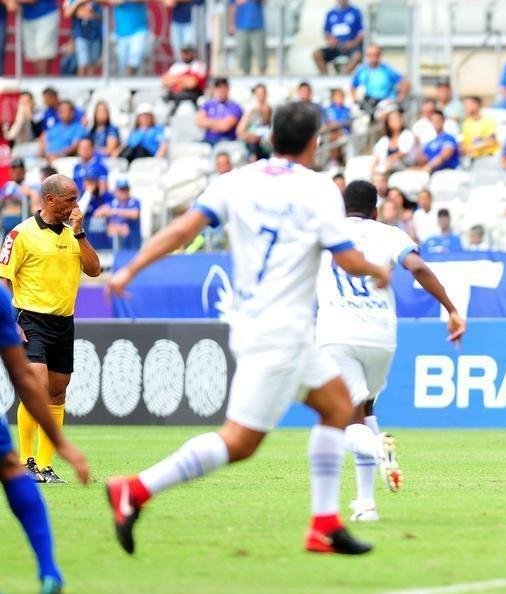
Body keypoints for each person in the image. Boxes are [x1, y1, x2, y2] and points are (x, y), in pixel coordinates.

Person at [105, 102, 393, 556]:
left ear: (270, 136)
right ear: (314, 142)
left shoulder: (235, 181)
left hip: (269, 327)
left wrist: (129, 269)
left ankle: (324, 525)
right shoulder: (319, 189)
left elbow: (182, 230)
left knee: (339, 406)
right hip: (280, 334)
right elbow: (346, 256)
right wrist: (378, 269)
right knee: (239, 442)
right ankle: (135, 489)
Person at [316, 181, 463, 522]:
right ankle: (366, 504)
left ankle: (377, 448)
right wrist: (451, 310)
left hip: (338, 334)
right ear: (375, 209)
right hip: (381, 336)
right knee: (365, 410)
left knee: (344, 423)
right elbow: (419, 268)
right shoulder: (389, 234)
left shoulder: (325, 233)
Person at [2, 173, 102, 484]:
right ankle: (25, 461)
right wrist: (8, 322)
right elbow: (4, 280)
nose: (76, 204)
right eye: (70, 199)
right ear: (50, 200)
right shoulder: (20, 234)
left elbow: (95, 269)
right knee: (38, 385)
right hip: (30, 318)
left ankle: (45, 467)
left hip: (63, 321)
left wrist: (81, 233)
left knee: (57, 393)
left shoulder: (75, 234)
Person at [0, 278, 89, 594]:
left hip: (62, 322)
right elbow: (21, 376)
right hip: (35, 318)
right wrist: (62, 443)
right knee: (9, 469)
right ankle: (49, 571)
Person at [95, 0, 152, 76]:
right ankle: (127, 83)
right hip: (121, 30)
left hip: (138, 28)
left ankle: (132, 80)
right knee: (122, 61)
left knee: (135, 56)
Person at [3, 0, 59, 76]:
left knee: (43, 48)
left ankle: (43, 77)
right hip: (27, 17)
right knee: (32, 50)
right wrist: (9, 1)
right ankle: (39, 75)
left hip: (45, 15)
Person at [227, 0, 268, 76]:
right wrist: (231, 24)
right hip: (241, 25)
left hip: (257, 24)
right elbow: (231, 5)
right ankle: (246, 77)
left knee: (260, 54)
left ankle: (262, 79)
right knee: (242, 55)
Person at [313, 0, 364, 74]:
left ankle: (343, 76)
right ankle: (325, 77)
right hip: (335, 47)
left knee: (358, 55)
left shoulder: (356, 12)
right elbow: (326, 32)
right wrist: (330, 40)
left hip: (351, 47)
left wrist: (352, 43)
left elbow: (361, 33)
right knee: (317, 54)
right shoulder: (330, 13)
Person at [63, 0, 102, 76]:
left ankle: (90, 88)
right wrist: (79, 2)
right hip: (80, 35)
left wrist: (88, 13)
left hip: (95, 36)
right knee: (83, 63)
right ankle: (81, 86)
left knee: (92, 64)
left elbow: (100, 16)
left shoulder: (95, 0)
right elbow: (67, 13)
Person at [351, 45, 409, 114]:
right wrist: (356, 100)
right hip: (368, 103)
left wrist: (399, 98)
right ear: (366, 56)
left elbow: (405, 83)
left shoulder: (386, 69)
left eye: (376, 54)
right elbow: (353, 86)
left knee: (390, 116)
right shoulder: (361, 70)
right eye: (370, 55)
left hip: (385, 102)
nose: (373, 57)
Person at [161, 45, 208, 114]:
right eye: (183, 52)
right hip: (175, 94)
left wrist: (175, 80)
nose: (185, 55)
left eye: (187, 52)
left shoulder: (199, 65)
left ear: (192, 53)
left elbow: (192, 83)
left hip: (193, 95)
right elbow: (165, 81)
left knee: (183, 100)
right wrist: (183, 79)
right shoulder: (176, 66)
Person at [197, 78, 243, 146]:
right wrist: (219, 122)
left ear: (228, 89)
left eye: (223, 88)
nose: (221, 91)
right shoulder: (208, 104)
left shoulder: (234, 107)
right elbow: (199, 121)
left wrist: (208, 123)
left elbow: (225, 126)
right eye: (218, 88)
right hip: (208, 139)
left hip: (226, 140)